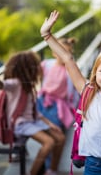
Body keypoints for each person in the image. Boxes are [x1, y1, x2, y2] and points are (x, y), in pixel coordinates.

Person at [39, 4, 101, 174]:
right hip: (94, 164)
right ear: (95, 72)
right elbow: (67, 59)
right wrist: (46, 35)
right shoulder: (87, 90)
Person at [0, 51, 65, 175]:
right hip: (20, 124)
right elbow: (2, 85)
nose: (38, 69)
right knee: (49, 142)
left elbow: (36, 112)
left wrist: (49, 124)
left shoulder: (29, 87)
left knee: (60, 137)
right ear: (26, 69)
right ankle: (33, 173)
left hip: (33, 121)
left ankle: (51, 170)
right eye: (34, 66)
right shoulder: (15, 83)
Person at [37, 37, 80, 171]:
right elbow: (38, 78)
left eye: (65, 52)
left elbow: (75, 90)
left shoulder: (70, 69)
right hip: (43, 102)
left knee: (55, 136)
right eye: (59, 52)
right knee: (47, 135)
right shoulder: (46, 64)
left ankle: (50, 168)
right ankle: (45, 165)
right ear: (54, 53)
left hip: (58, 108)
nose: (62, 55)